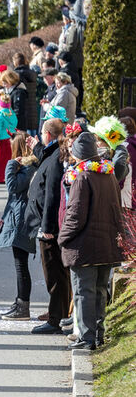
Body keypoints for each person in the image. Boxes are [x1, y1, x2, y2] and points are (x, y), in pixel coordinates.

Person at [59, 132, 125, 350]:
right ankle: (98, 334)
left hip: (84, 246)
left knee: (83, 292)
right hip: (105, 244)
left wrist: (63, 238)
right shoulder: (109, 176)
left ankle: (87, 338)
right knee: (98, 291)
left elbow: (75, 215)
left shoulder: (83, 178)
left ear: (80, 156)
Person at [25, 118, 69, 334]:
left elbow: (52, 194)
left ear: (48, 135)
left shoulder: (55, 159)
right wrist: (36, 146)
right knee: (57, 273)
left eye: (42, 134)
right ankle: (62, 313)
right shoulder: (54, 152)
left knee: (54, 273)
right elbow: (45, 154)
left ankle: (55, 319)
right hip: (48, 224)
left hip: (49, 228)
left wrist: (48, 228)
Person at [0, 132, 38, 320]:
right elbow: (12, 198)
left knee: (21, 265)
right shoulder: (26, 166)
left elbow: (12, 187)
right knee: (19, 264)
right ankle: (20, 301)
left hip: (22, 219)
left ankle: (23, 306)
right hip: (16, 215)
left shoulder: (27, 167)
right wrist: (5, 216)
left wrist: (11, 164)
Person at [92, 116, 131, 187]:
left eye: (98, 141)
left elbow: (118, 173)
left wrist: (120, 147)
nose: (96, 143)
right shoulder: (95, 156)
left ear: (108, 143)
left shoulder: (120, 158)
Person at [0, 94, 18, 184]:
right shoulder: (12, 114)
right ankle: (7, 177)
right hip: (10, 139)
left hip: (1, 140)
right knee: (8, 160)